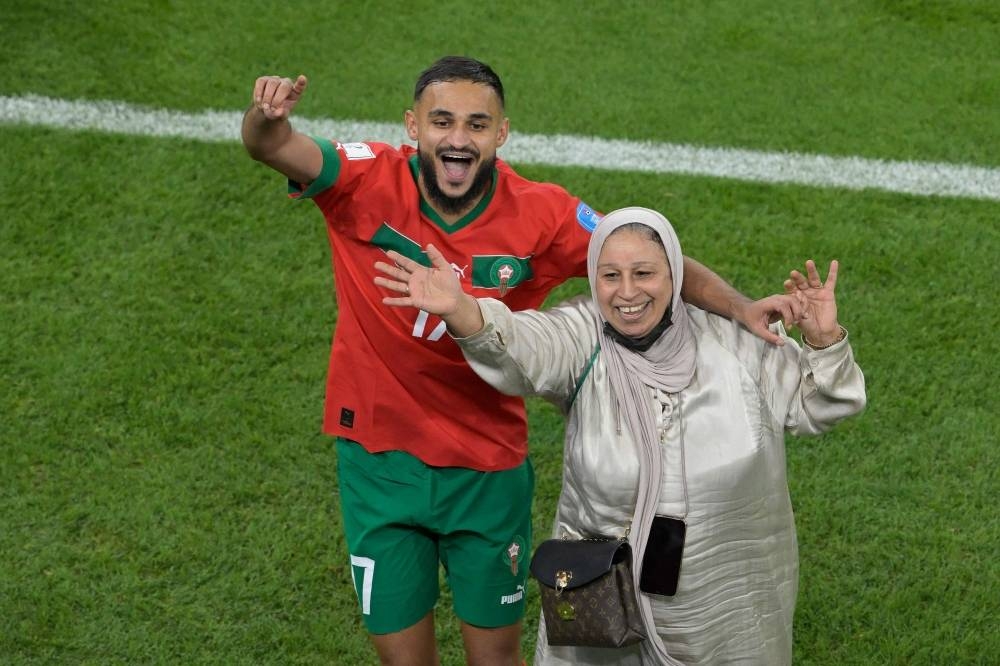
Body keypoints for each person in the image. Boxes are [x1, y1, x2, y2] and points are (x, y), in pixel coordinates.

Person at [242, 55, 794, 666]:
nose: (458, 139)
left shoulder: (543, 213)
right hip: (379, 464)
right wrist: (266, 118)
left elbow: (651, 258)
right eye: (442, 121)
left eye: (477, 125)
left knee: (496, 659)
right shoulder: (363, 178)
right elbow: (274, 147)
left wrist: (739, 306)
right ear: (413, 126)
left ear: (501, 133)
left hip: (486, 468)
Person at [375, 206, 867, 665]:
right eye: (610, 276)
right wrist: (462, 310)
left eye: (644, 273)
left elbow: (822, 404)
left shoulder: (737, 344)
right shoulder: (582, 336)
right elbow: (519, 345)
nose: (627, 293)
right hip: (604, 605)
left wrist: (823, 340)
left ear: (675, 275)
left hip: (727, 601)